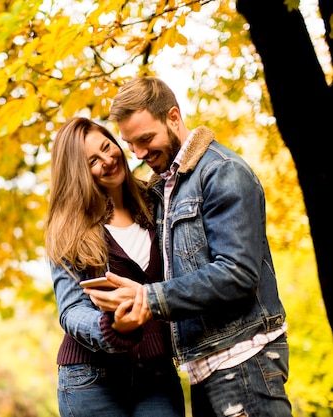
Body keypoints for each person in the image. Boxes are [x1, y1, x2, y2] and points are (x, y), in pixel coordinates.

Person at [86, 76, 291, 417]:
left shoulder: (221, 172)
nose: (138, 153)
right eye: (130, 144)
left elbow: (237, 274)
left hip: (243, 360)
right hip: (203, 366)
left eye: (146, 139)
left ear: (174, 118)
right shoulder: (168, 187)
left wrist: (147, 298)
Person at [44, 116, 185, 417]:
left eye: (107, 147)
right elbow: (70, 311)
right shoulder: (68, 228)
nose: (108, 160)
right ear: (79, 174)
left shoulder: (156, 201)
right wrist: (112, 327)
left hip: (156, 374)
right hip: (92, 378)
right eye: (93, 161)